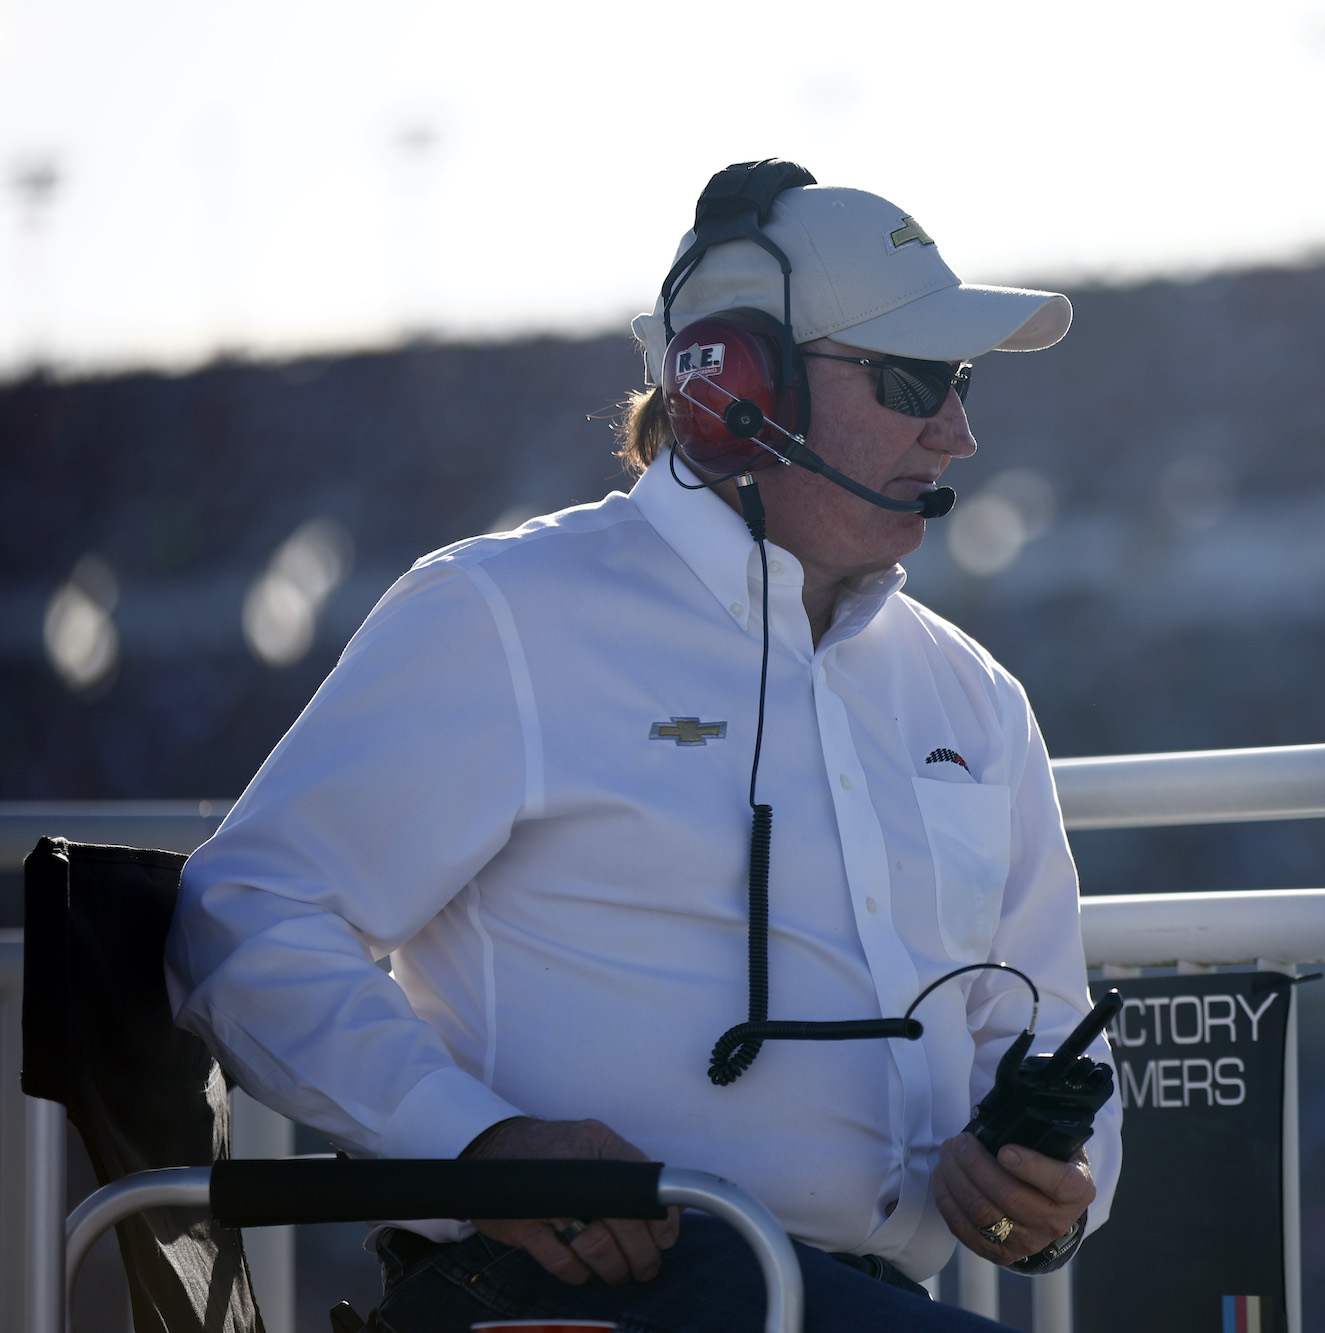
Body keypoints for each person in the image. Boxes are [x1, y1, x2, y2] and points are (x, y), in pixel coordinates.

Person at [165, 160, 1121, 1332]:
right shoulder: (499, 611)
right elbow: (246, 913)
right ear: (735, 389)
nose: (958, 431)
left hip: (843, 1303)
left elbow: (1043, 1023)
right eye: (914, 377)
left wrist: (1054, 1190)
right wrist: (476, 1145)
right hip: (580, 1294)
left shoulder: (973, 694)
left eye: (960, 380)